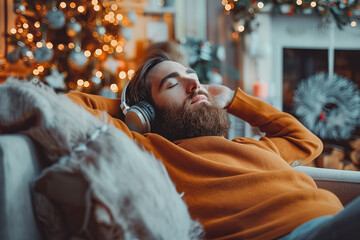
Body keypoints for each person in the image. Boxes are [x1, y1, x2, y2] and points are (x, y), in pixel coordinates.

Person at [67, 51, 359, 240]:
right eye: (172, 84)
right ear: (148, 112)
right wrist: (134, 113)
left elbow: (307, 141)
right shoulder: (151, 151)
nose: (194, 84)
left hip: (331, 220)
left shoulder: (254, 148)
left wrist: (233, 98)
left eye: (192, 75)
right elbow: (70, 105)